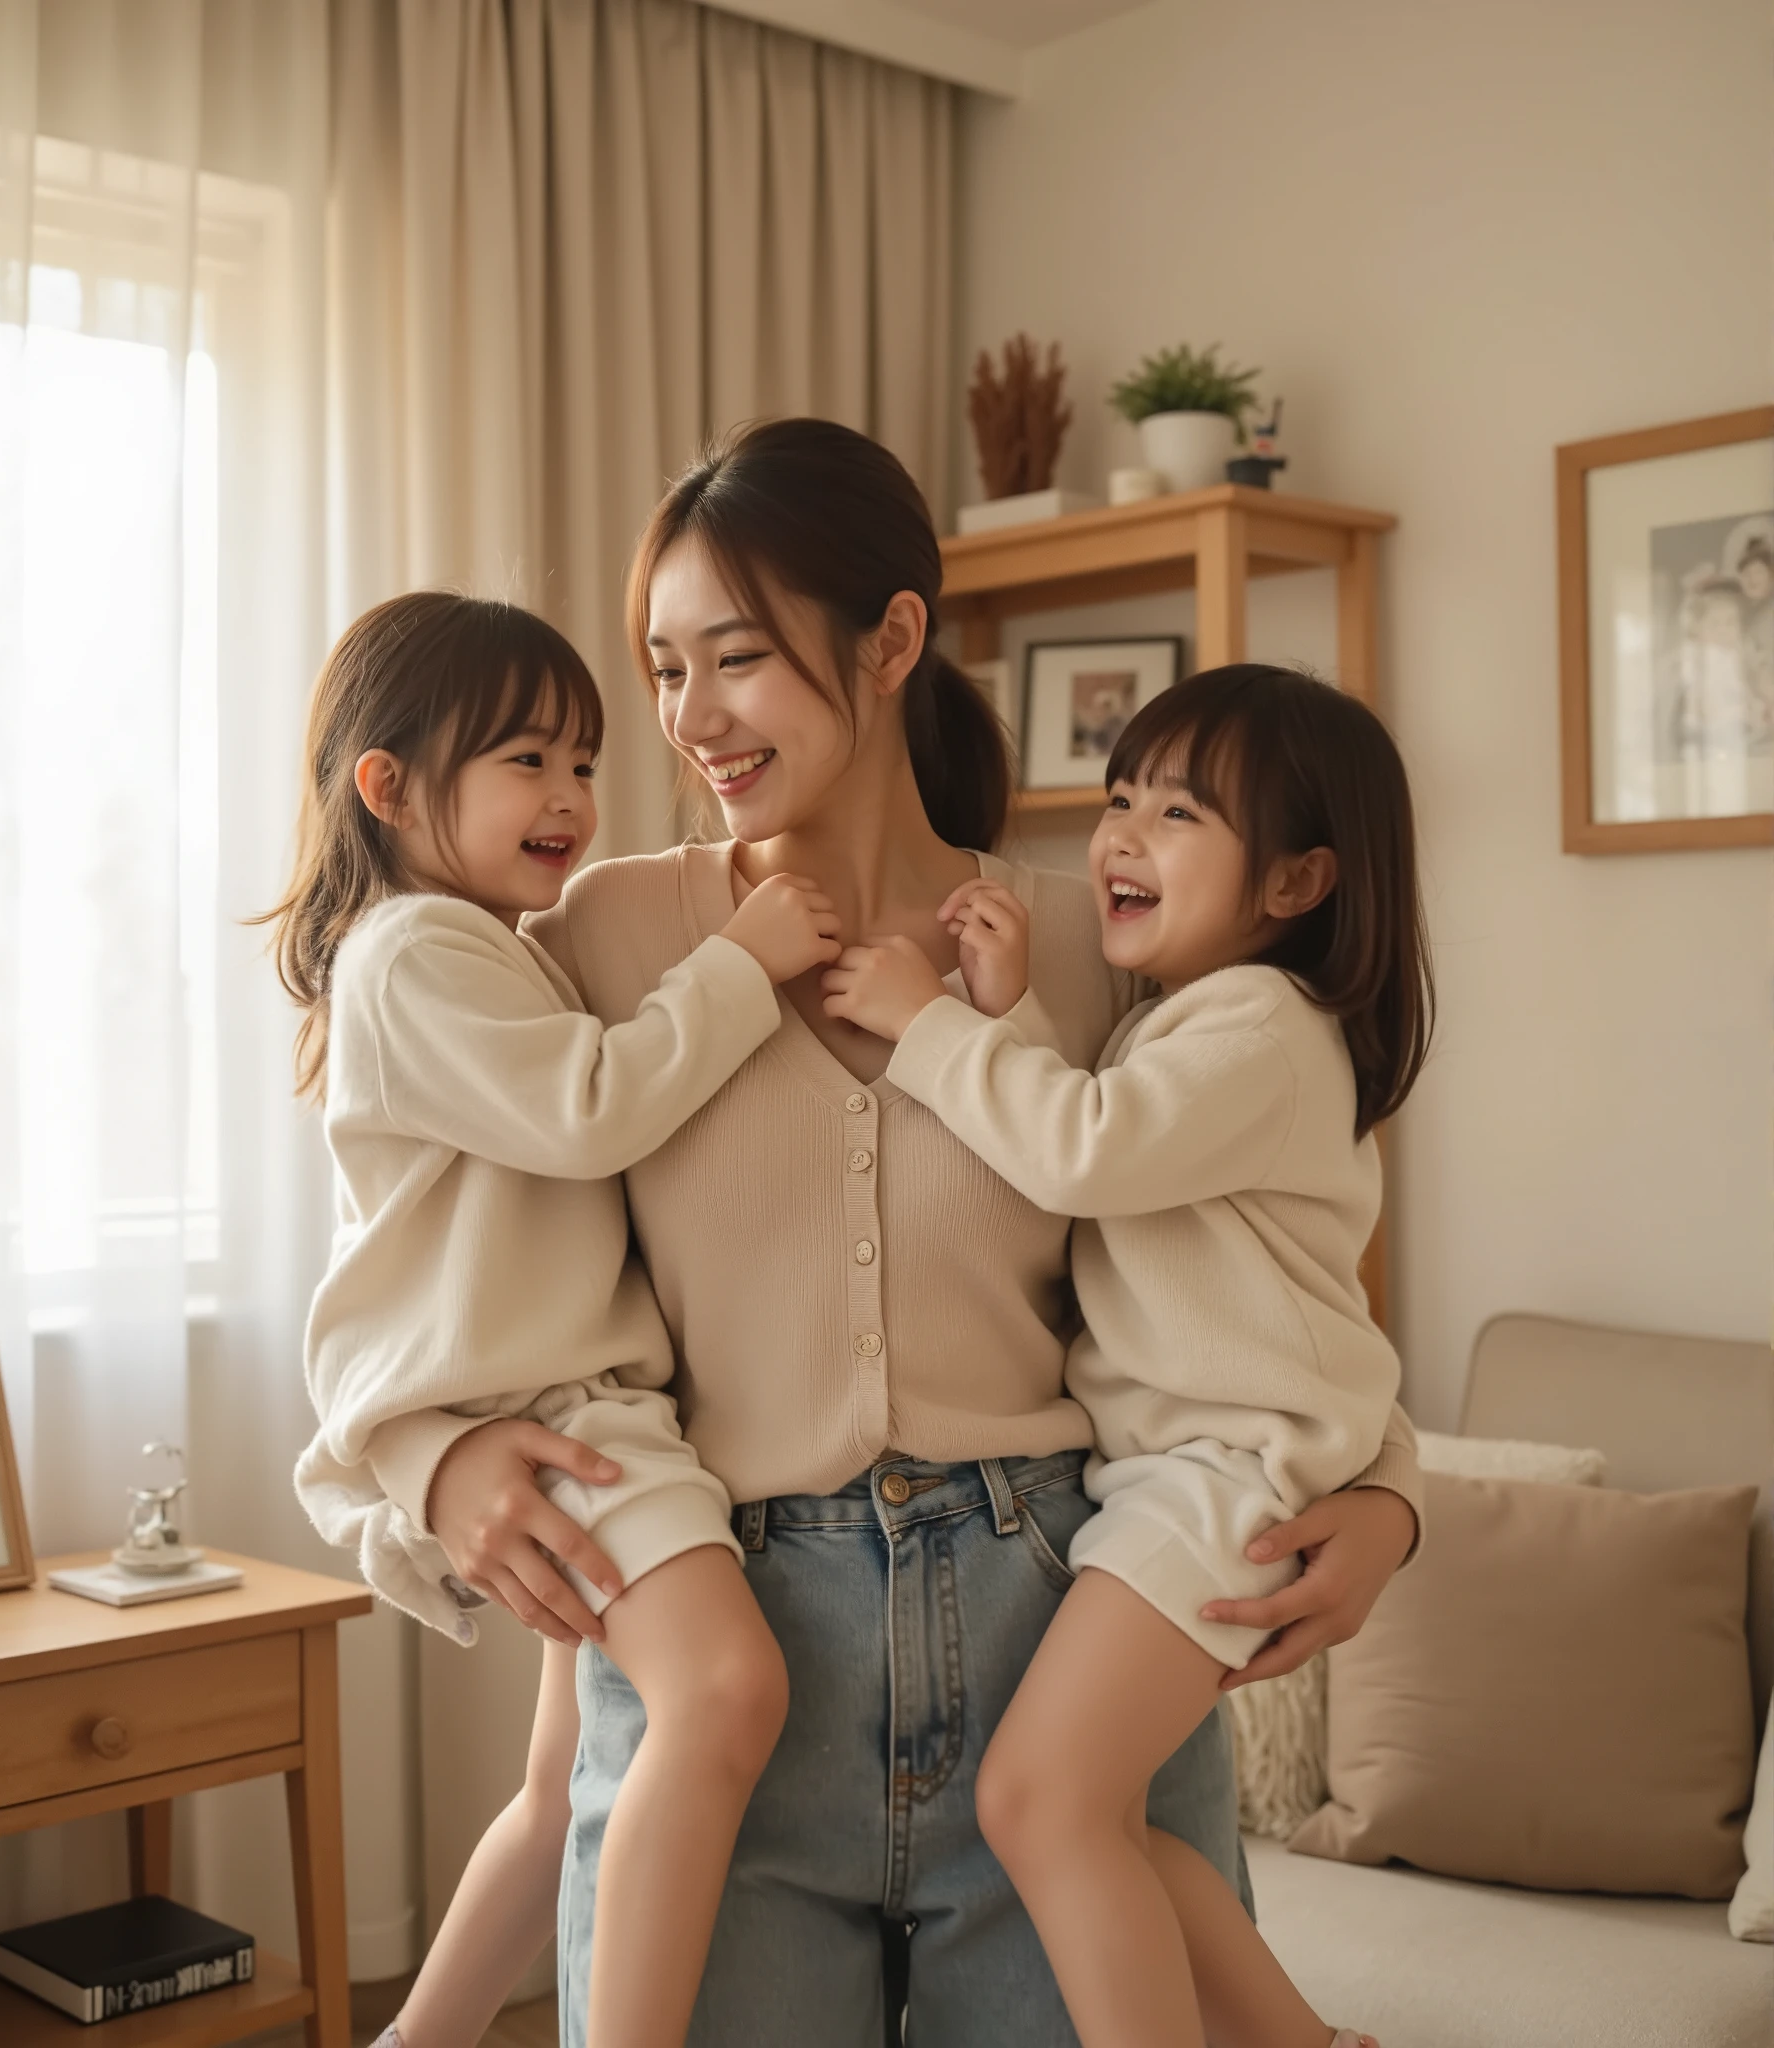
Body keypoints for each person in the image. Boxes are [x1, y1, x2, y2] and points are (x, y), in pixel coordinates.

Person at [422, 419, 1427, 2048]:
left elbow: (1265, 1268)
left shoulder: (1095, 950)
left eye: (734, 658)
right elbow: (431, 1215)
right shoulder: (608, 930)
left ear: (891, 640)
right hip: (736, 1662)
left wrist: (1388, 1490)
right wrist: (432, 1461)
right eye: (663, 669)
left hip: (1059, 1624)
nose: (690, 719)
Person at [824, 663, 1432, 2047]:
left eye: (1175, 812)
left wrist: (930, 1023)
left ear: (1295, 883)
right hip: (1189, 1475)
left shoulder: (1265, 1026)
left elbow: (1089, 1149)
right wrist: (1007, 1016)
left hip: (1231, 1475)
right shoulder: (1193, 1022)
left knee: (1039, 1803)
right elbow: (1103, 1143)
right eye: (1115, 799)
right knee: (1104, 1824)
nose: (1119, 837)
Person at [269, 592, 844, 2048]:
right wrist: (744, 961)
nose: (573, 798)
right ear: (387, 787)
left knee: (564, 1785)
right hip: (553, 1414)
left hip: (540, 1401)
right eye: (528, 760)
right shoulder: (411, 952)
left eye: (584, 762)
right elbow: (589, 1111)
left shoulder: (471, 947)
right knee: (726, 1685)